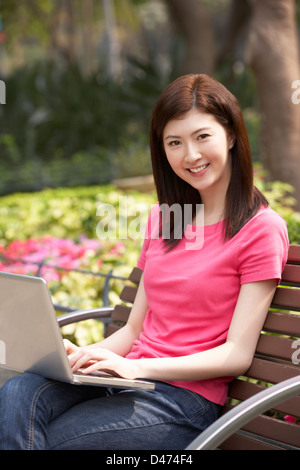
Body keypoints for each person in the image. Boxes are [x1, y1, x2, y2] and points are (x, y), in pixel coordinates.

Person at [0, 74, 289, 450]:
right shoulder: (165, 218)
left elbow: (236, 354)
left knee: (50, 440)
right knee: (16, 392)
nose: (191, 155)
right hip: (126, 383)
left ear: (231, 136)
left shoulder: (261, 229)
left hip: (183, 402)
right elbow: (134, 330)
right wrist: (92, 355)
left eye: (202, 136)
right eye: (175, 142)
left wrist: (138, 368)